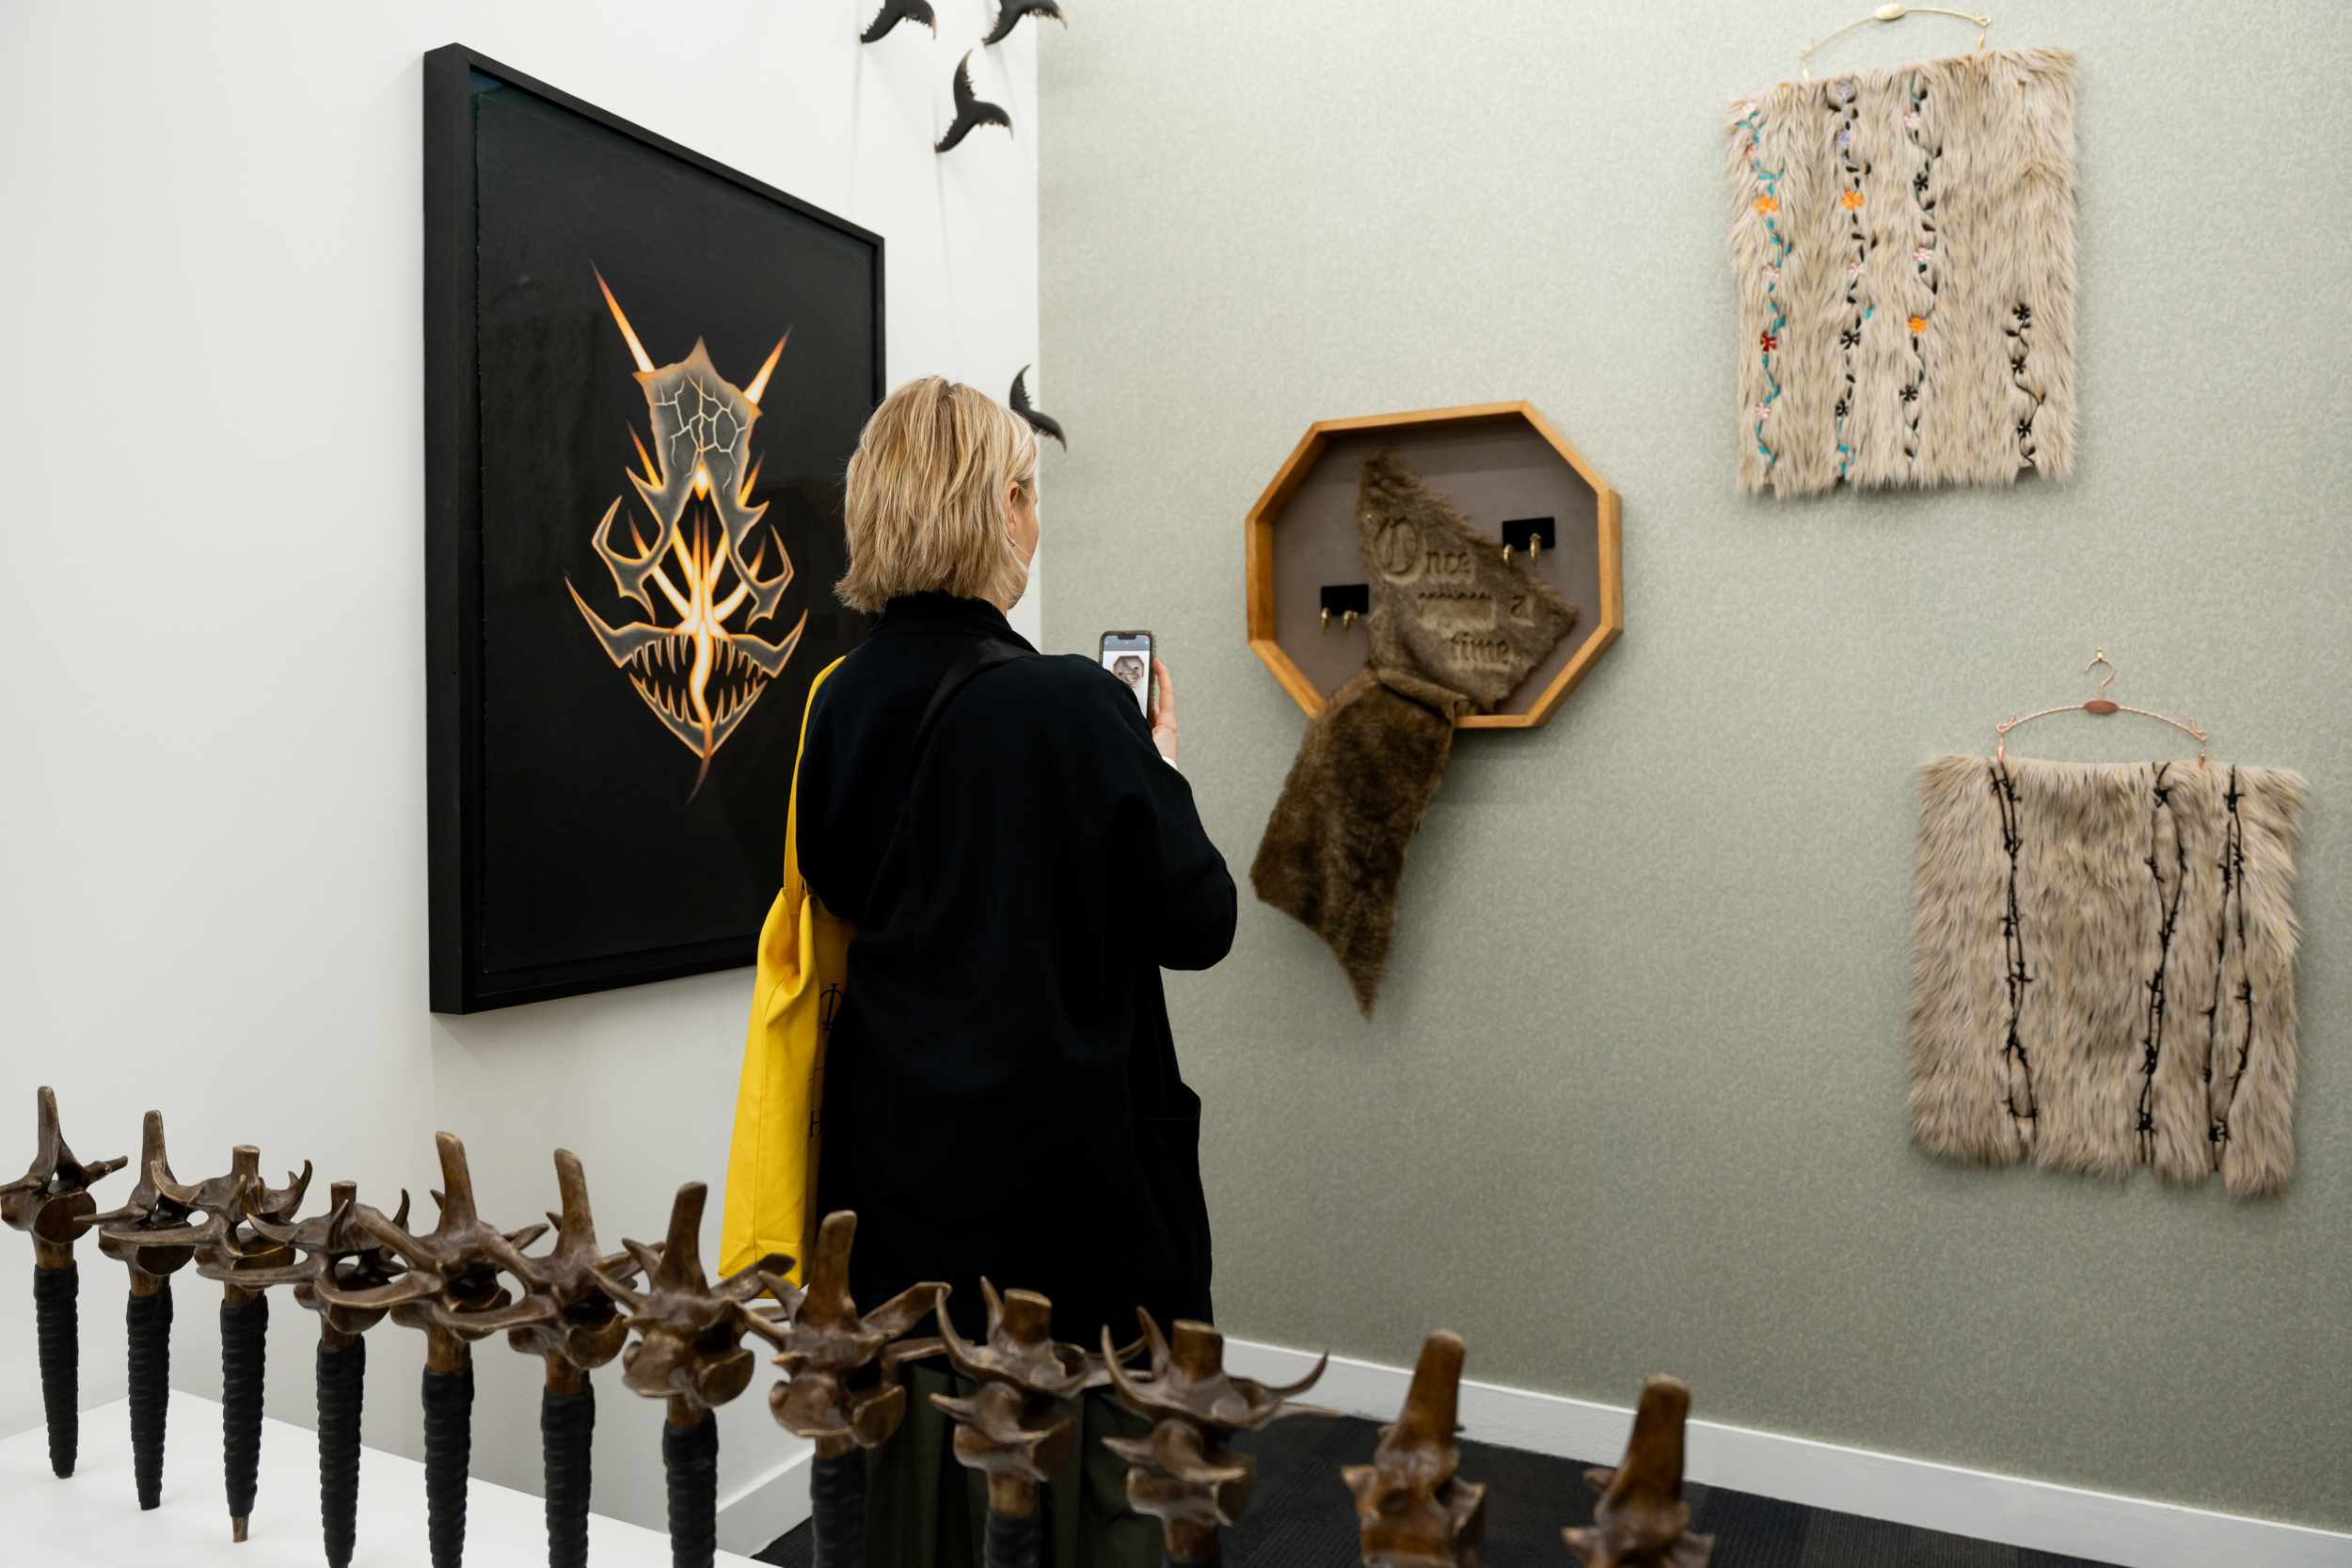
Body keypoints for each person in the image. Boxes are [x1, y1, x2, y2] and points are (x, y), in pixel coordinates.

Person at [794, 376, 1236, 1568]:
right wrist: (1162, 768)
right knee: (1078, 1490)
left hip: (895, 1178)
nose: (1037, 518)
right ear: (999, 508)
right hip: (1066, 1195)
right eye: (1029, 493)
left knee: (922, 1490)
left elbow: (842, 887)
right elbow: (1200, 918)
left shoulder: (838, 701)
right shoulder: (1076, 703)